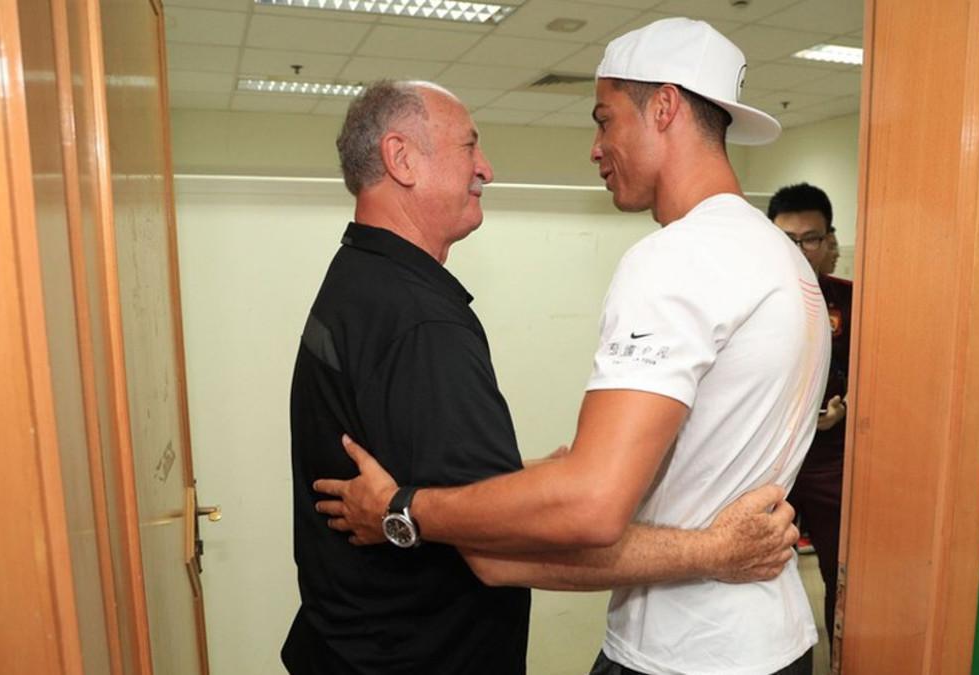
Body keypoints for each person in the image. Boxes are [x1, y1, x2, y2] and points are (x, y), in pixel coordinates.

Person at [316, 18, 831, 675]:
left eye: (604, 118)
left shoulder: (678, 259)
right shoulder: (782, 257)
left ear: (665, 107)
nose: (595, 147)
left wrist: (402, 509)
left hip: (684, 653)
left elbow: (591, 504)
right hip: (774, 637)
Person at [768, 182, 854, 647]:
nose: (800, 251)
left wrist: (846, 410)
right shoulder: (747, 299)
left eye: (812, 238)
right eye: (787, 239)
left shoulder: (853, 299)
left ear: (829, 240)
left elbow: (885, 376)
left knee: (841, 572)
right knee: (755, 571)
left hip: (830, 464)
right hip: (767, 460)